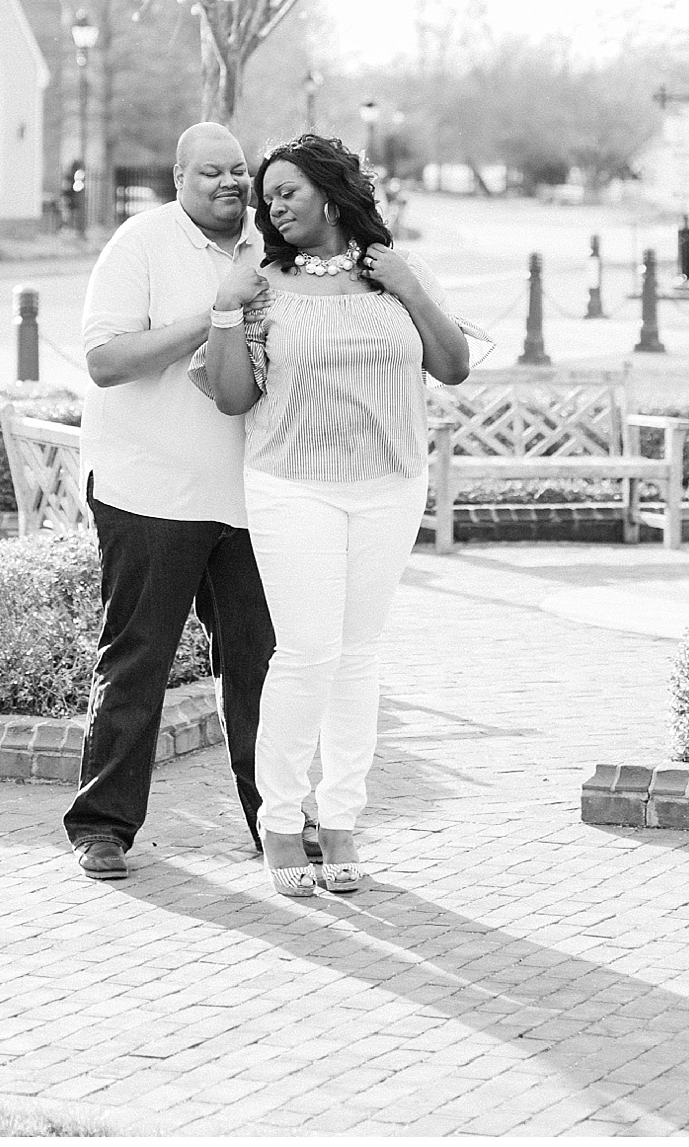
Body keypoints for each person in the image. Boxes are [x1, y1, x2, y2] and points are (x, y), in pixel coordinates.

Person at [198, 132, 470, 899]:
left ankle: (343, 819)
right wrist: (225, 308)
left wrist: (411, 286)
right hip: (292, 485)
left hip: (389, 483)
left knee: (359, 655)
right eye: (266, 195)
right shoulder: (263, 282)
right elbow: (231, 398)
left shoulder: (393, 276)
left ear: (330, 192)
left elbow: (451, 365)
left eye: (287, 190)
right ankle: (282, 822)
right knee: (308, 653)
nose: (272, 205)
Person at [63, 122, 278, 883]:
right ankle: (102, 828)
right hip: (149, 491)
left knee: (260, 667)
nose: (231, 184)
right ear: (179, 178)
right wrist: (215, 312)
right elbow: (105, 360)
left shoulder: (271, 247)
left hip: (253, 500)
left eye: (240, 172)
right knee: (138, 661)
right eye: (212, 172)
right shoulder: (142, 244)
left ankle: (275, 823)